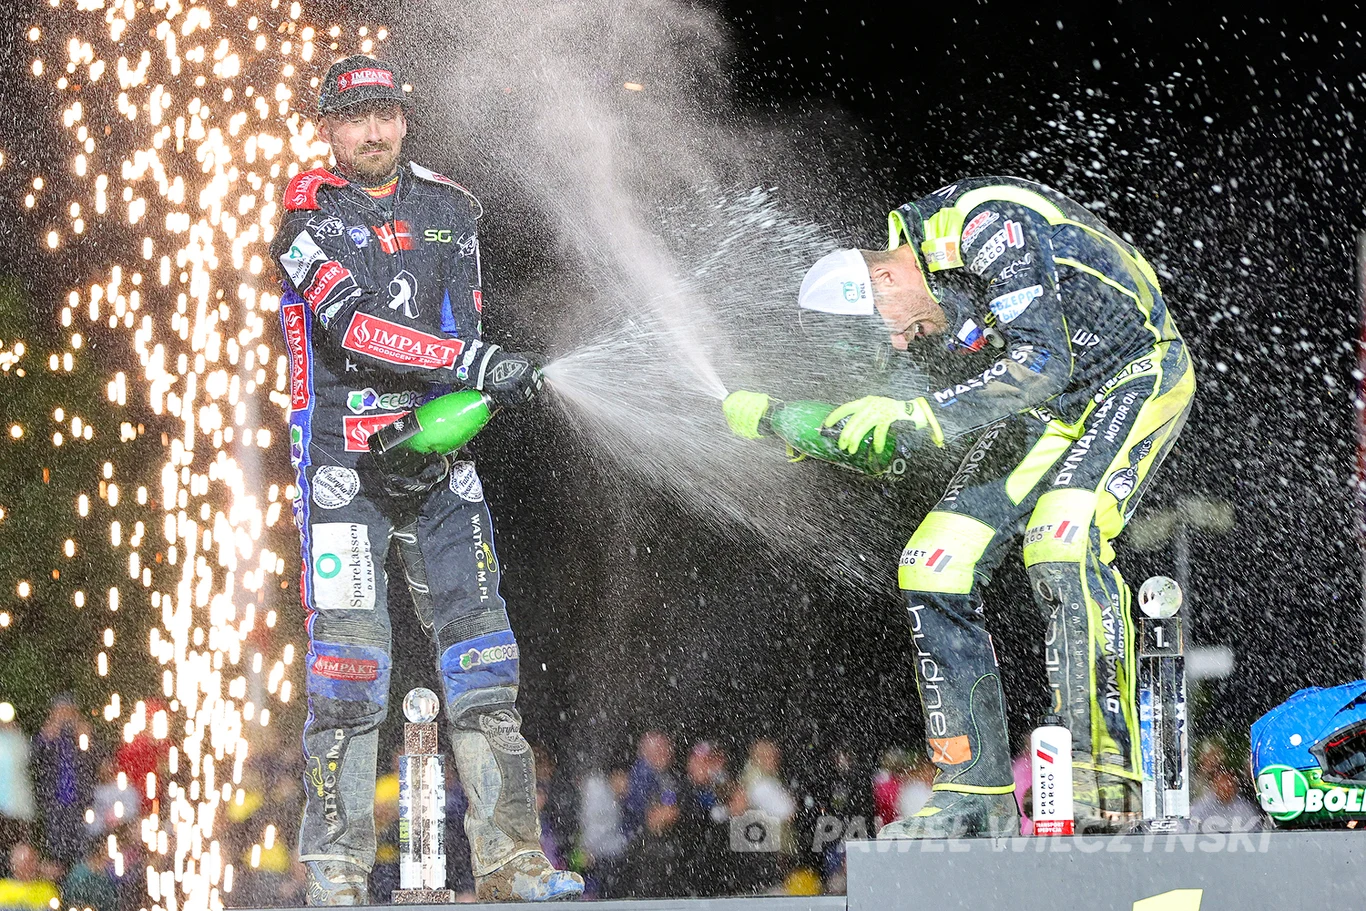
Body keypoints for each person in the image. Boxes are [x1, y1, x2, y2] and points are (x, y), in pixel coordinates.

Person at [725, 176, 1195, 836]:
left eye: (884, 329)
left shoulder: (979, 222)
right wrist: (789, 421)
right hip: (1046, 407)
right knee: (932, 563)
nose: (898, 343)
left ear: (884, 280)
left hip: (1132, 372)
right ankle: (976, 792)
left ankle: (1102, 769)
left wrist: (914, 416)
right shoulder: (927, 311)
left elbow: (1040, 362)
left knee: (1062, 538)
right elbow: (898, 444)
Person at [269, 55, 580, 902]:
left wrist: (473, 395)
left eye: (386, 114)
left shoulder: (453, 208)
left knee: (486, 664)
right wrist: (472, 360)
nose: (373, 131)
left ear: (406, 118)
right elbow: (356, 328)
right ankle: (333, 874)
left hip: (442, 465)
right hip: (344, 472)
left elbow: (465, 326)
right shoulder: (306, 219)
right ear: (326, 127)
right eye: (354, 116)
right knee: (349, 675)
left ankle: (513, 862)